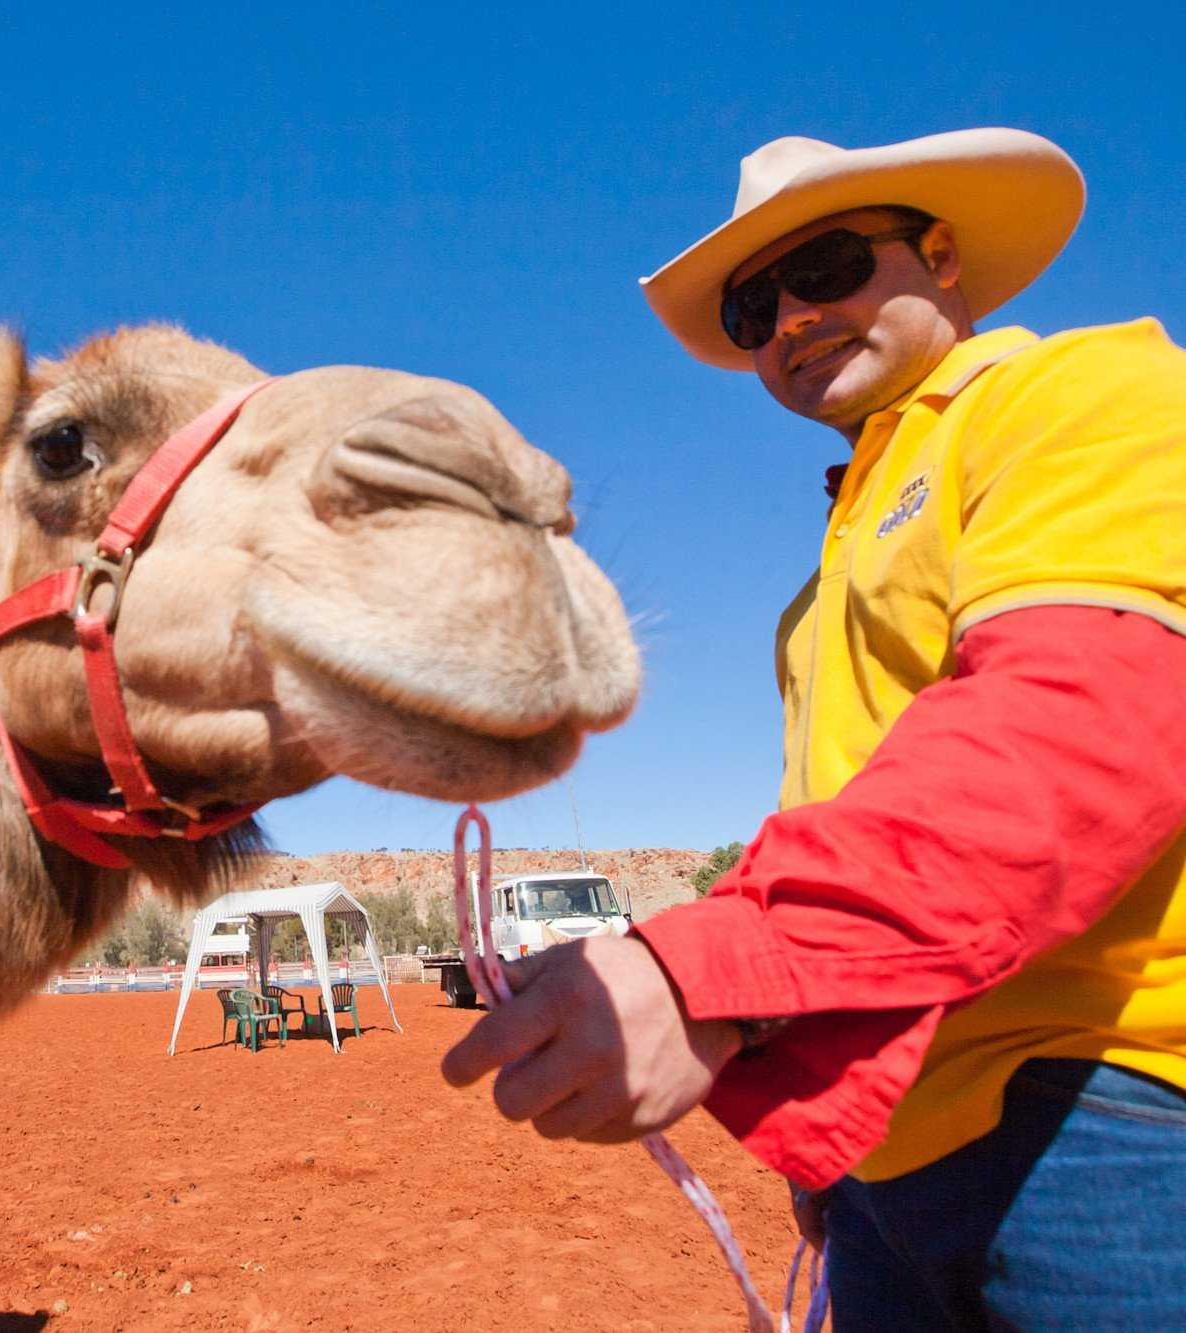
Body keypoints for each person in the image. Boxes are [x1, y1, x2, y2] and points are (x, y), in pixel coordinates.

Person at [442, 127, 1186, 1327]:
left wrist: (710, 979)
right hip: (884, 1148)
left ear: (939, 255)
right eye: (749, 308)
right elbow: (842, 814)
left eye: (826, 265)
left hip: (1106, 1115)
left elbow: (1069, 734)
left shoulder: (1082, 394)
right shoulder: (819, 584)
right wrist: (820, 1146)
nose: (788, 318)